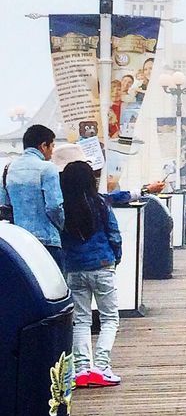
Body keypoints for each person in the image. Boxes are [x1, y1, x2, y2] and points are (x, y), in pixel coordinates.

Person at [60, 160, 123, 387]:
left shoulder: (62, 206)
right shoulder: (100, 203)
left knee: (81, 320)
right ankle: (102, 367)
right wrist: (115, 257)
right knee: (109, 318)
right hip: (102, 264)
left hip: (75, 268)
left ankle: (82, 369)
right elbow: (114, 233)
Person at [0, 124, 65, 270]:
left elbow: (4, 203)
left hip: (19, 241)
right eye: (52, 146)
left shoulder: (8, 169)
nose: (52, 152)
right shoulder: (48, 169)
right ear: (43, 146)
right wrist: (60, 226)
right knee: (53, 288)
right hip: (47, 241)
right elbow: (54, 206)